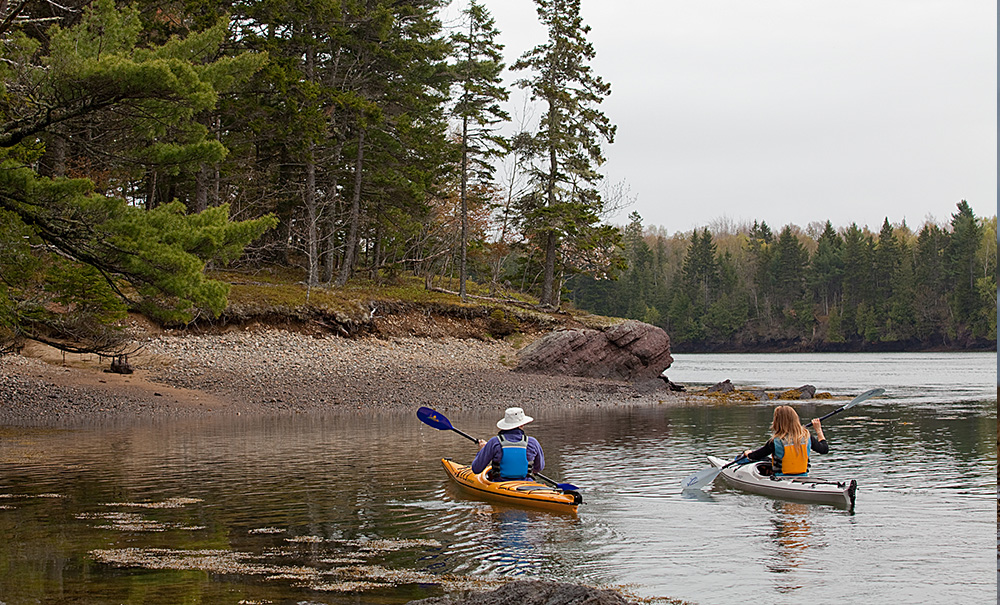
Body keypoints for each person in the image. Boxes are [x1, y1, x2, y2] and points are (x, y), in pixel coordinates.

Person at [742, 405, 828, 476]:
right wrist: (818, 430)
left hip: (781, 478)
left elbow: (755, 456)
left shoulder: (775, 441)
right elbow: (824, 449)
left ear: (777, 422)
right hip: (803, 476)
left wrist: (748, 453)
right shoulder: (807, 437)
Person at [471, 407, 545, 481]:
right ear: (522, 425)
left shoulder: (494, 442)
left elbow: (476, 468)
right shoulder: (533, 442)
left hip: (500, 485)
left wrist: (482, 449)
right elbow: (539, 467)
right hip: (527, 485)